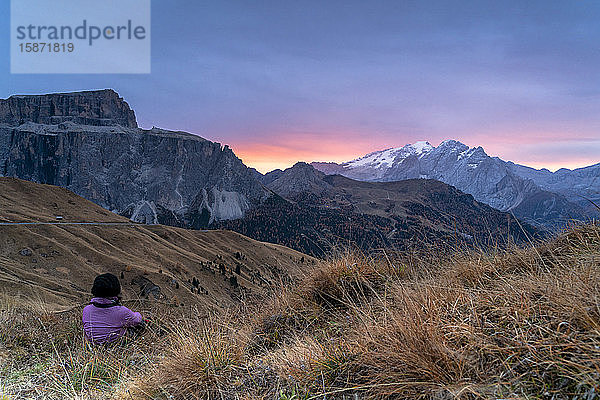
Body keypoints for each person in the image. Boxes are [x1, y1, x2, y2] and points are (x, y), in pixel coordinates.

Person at [82, 273, 145, 344]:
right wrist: (137, 314)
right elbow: (137, 320)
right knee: (139, 325)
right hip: (114, 344)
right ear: (116, 289)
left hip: (93, 344)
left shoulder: (86, 310)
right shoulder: (122, 311)